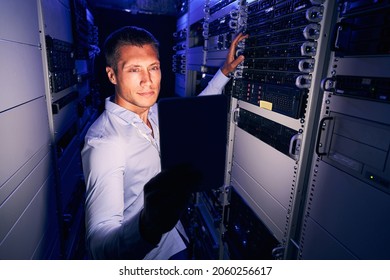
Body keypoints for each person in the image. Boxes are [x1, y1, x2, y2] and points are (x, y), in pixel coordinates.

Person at [81, 25, 248, 260]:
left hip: (176, 240)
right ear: (112, 75)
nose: (147, 81)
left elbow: (194, 113)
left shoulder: (155, 113)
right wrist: (147, 227)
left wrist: (223, 72)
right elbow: (99, 245)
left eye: (154, 68)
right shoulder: (106, 142)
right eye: (134, 70)